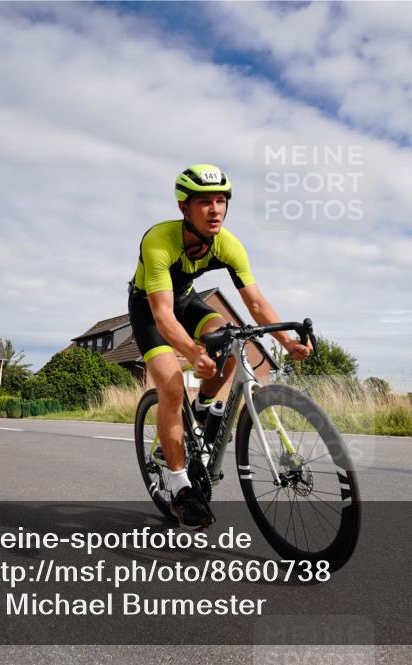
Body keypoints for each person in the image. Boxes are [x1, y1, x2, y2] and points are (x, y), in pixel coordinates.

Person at [128, 164, 313, 529]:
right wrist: (194, 353)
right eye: (204, 202)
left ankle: (200, 410)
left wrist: (286, 342)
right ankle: (181, 489)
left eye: (220, 201)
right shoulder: (159, 240)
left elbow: (256, 303)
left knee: (231, 340)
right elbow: (163, 315)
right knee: (170, 382)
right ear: (184, 208)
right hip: (150, 309)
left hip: (187, 301)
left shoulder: (228, 244)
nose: (215, 210)